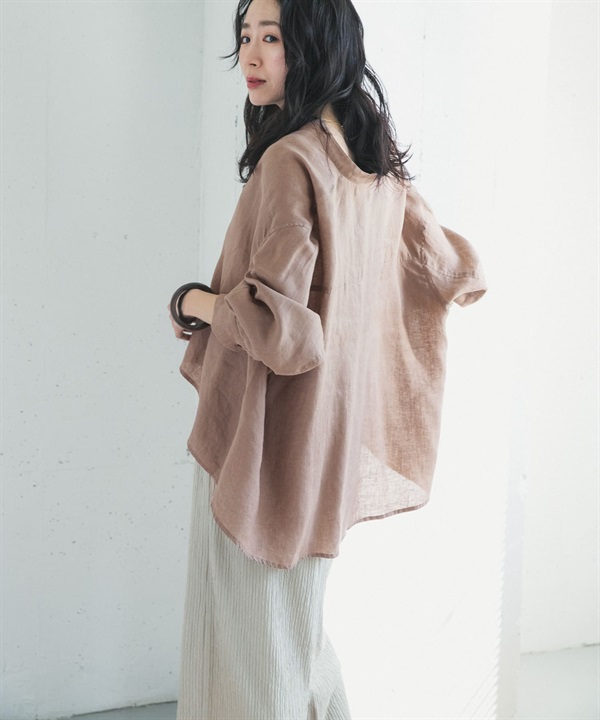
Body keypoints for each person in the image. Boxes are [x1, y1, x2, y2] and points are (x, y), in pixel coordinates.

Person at [169, 0, 486, 717]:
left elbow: (281, 332)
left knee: (251, 648)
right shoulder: (371, 162)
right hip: (327, 443)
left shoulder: (292, 160)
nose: (251, 56)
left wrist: (193, 302)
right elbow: (449, 267)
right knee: (297, 639)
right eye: (246, 37)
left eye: (272, 38)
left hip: (262, 440)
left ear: (315, 44)